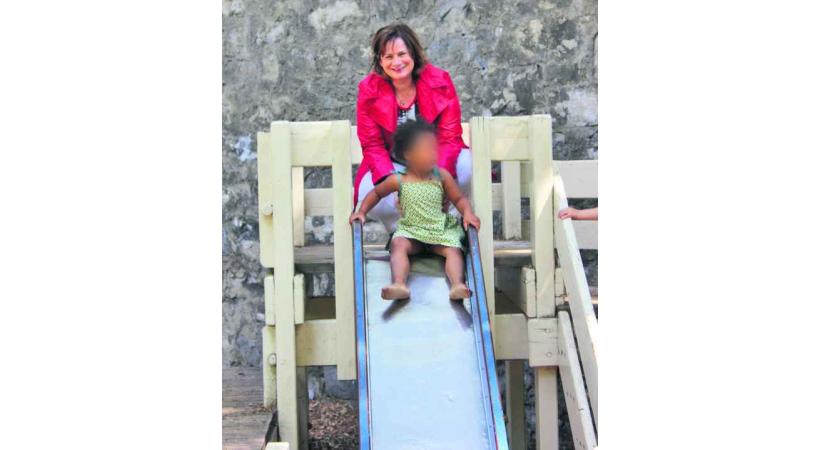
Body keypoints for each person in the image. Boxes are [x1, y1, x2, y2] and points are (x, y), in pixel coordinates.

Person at [355, 22, 471, 233]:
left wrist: (437, 182)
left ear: (413, 55)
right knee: (366, 191)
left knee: (468, 166)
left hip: (435, 163)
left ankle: (448, 227)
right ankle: (400, 232)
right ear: (380, 61)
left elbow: (449, 137)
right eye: (388, 57)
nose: (396, 62)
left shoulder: (440, 81)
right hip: (393, 168)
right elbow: (372, 144)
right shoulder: (368, 90)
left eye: (401, 54)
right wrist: (398, 185)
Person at [350, 120, 481, 301]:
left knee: (453, 250)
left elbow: (458, 198)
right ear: (409, 155)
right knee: (398, 245)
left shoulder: (441, 176)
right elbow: (376, 193)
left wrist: (467, 213)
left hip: (439, 231)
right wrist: (362, 211)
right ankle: (399, 283)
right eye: (426, 150)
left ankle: (457, 284)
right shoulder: (399, 180)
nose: (433, 154)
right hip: (412, 231)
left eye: (434, 149)